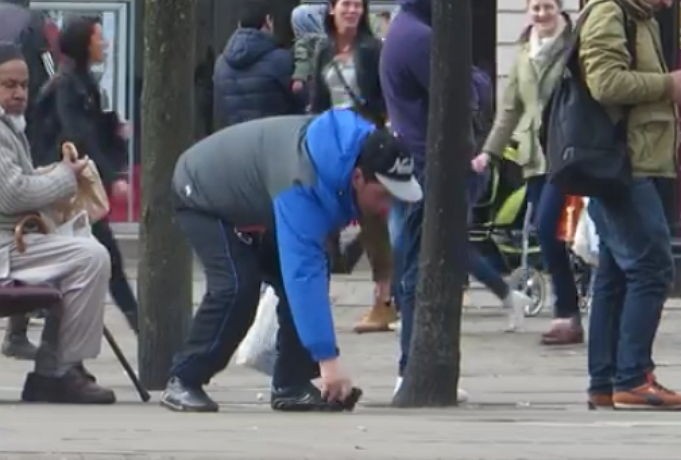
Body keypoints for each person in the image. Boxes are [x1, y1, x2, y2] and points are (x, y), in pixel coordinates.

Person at [160, 108, 422, 413]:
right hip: (201, 191)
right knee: (237, 284)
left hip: (257, 197)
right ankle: (184, 379)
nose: (387, 208)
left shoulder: (360, 152)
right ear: (358, 178)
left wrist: (384, 274)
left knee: (308, 271)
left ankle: (291, 384)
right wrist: (329, 361)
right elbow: (303, 274)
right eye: (384, 196)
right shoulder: (303, 181)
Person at [380, 0, 531, 399]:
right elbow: (466, 90)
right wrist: (478, 77)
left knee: (424, 257)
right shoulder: (422, 37)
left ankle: (412, 366)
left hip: (417, 160)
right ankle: (412, 368)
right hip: (428, 164)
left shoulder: (404, 31)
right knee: (423, 264)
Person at [579, 0, 681, 411]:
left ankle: (605, 380)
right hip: (623, 164)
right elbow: (605, 83)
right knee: (652, 267)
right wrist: (667, 85)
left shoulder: (637, 18)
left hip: (630, 161)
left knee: (614, 272)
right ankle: (632, 378)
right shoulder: (611, 13)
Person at [0, 42, 114, 403]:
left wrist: (50, 176)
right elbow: (13, 194)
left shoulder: (11, 126)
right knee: (90, 257)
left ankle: (56, 369)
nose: (19, 93)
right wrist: (64, 177)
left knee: (82, 243)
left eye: (23, 85)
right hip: (4, 247)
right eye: (8, 85)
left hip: (12, 241)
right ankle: (59, 370)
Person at [473, 0, 581, 345]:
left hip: (567, 150)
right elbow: (510, 109)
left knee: (549, 228)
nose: (541, 14)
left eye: (548, 7)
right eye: (535, 8)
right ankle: (569, 307)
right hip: (534, 155)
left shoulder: (573, 47)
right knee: (545, 231)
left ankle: (567, 311)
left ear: (560, 10)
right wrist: (488, 153)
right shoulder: (523, 50)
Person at [31, 16, 139, 332]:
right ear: (83, 44)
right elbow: (78, 134)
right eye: (98, 38)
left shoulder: (81, 84)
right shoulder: (68, 86)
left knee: (89, 266)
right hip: (67, 188)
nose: (104, 44)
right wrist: (112, 174)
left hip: (73, 187)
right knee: (101, 262)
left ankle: (61, 357)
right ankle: (140, 326)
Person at [310, 0, 396, 334]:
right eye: (346, 4)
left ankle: (383, 300)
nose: (352, 11)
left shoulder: (372, 49)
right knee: (323, 218)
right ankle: (316, 297)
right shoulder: (323, 50)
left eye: (358, 5)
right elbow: (317, 102)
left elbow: (384, 99)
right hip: (330, 141)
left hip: (364, 141)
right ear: (332, 10)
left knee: (373, 220)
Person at [0, 0, 59, 360]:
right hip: (26, 130)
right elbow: (49, 76)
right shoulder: (32, 24)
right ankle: (58, 364)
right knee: (84, 255)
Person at [213, 0, 303, 127]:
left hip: (235, 141)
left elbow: (218, 111)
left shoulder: (221, 64)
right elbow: (301, 101)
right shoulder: (281, 60)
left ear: (239, 24)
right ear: (268, 21)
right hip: (275, 139)